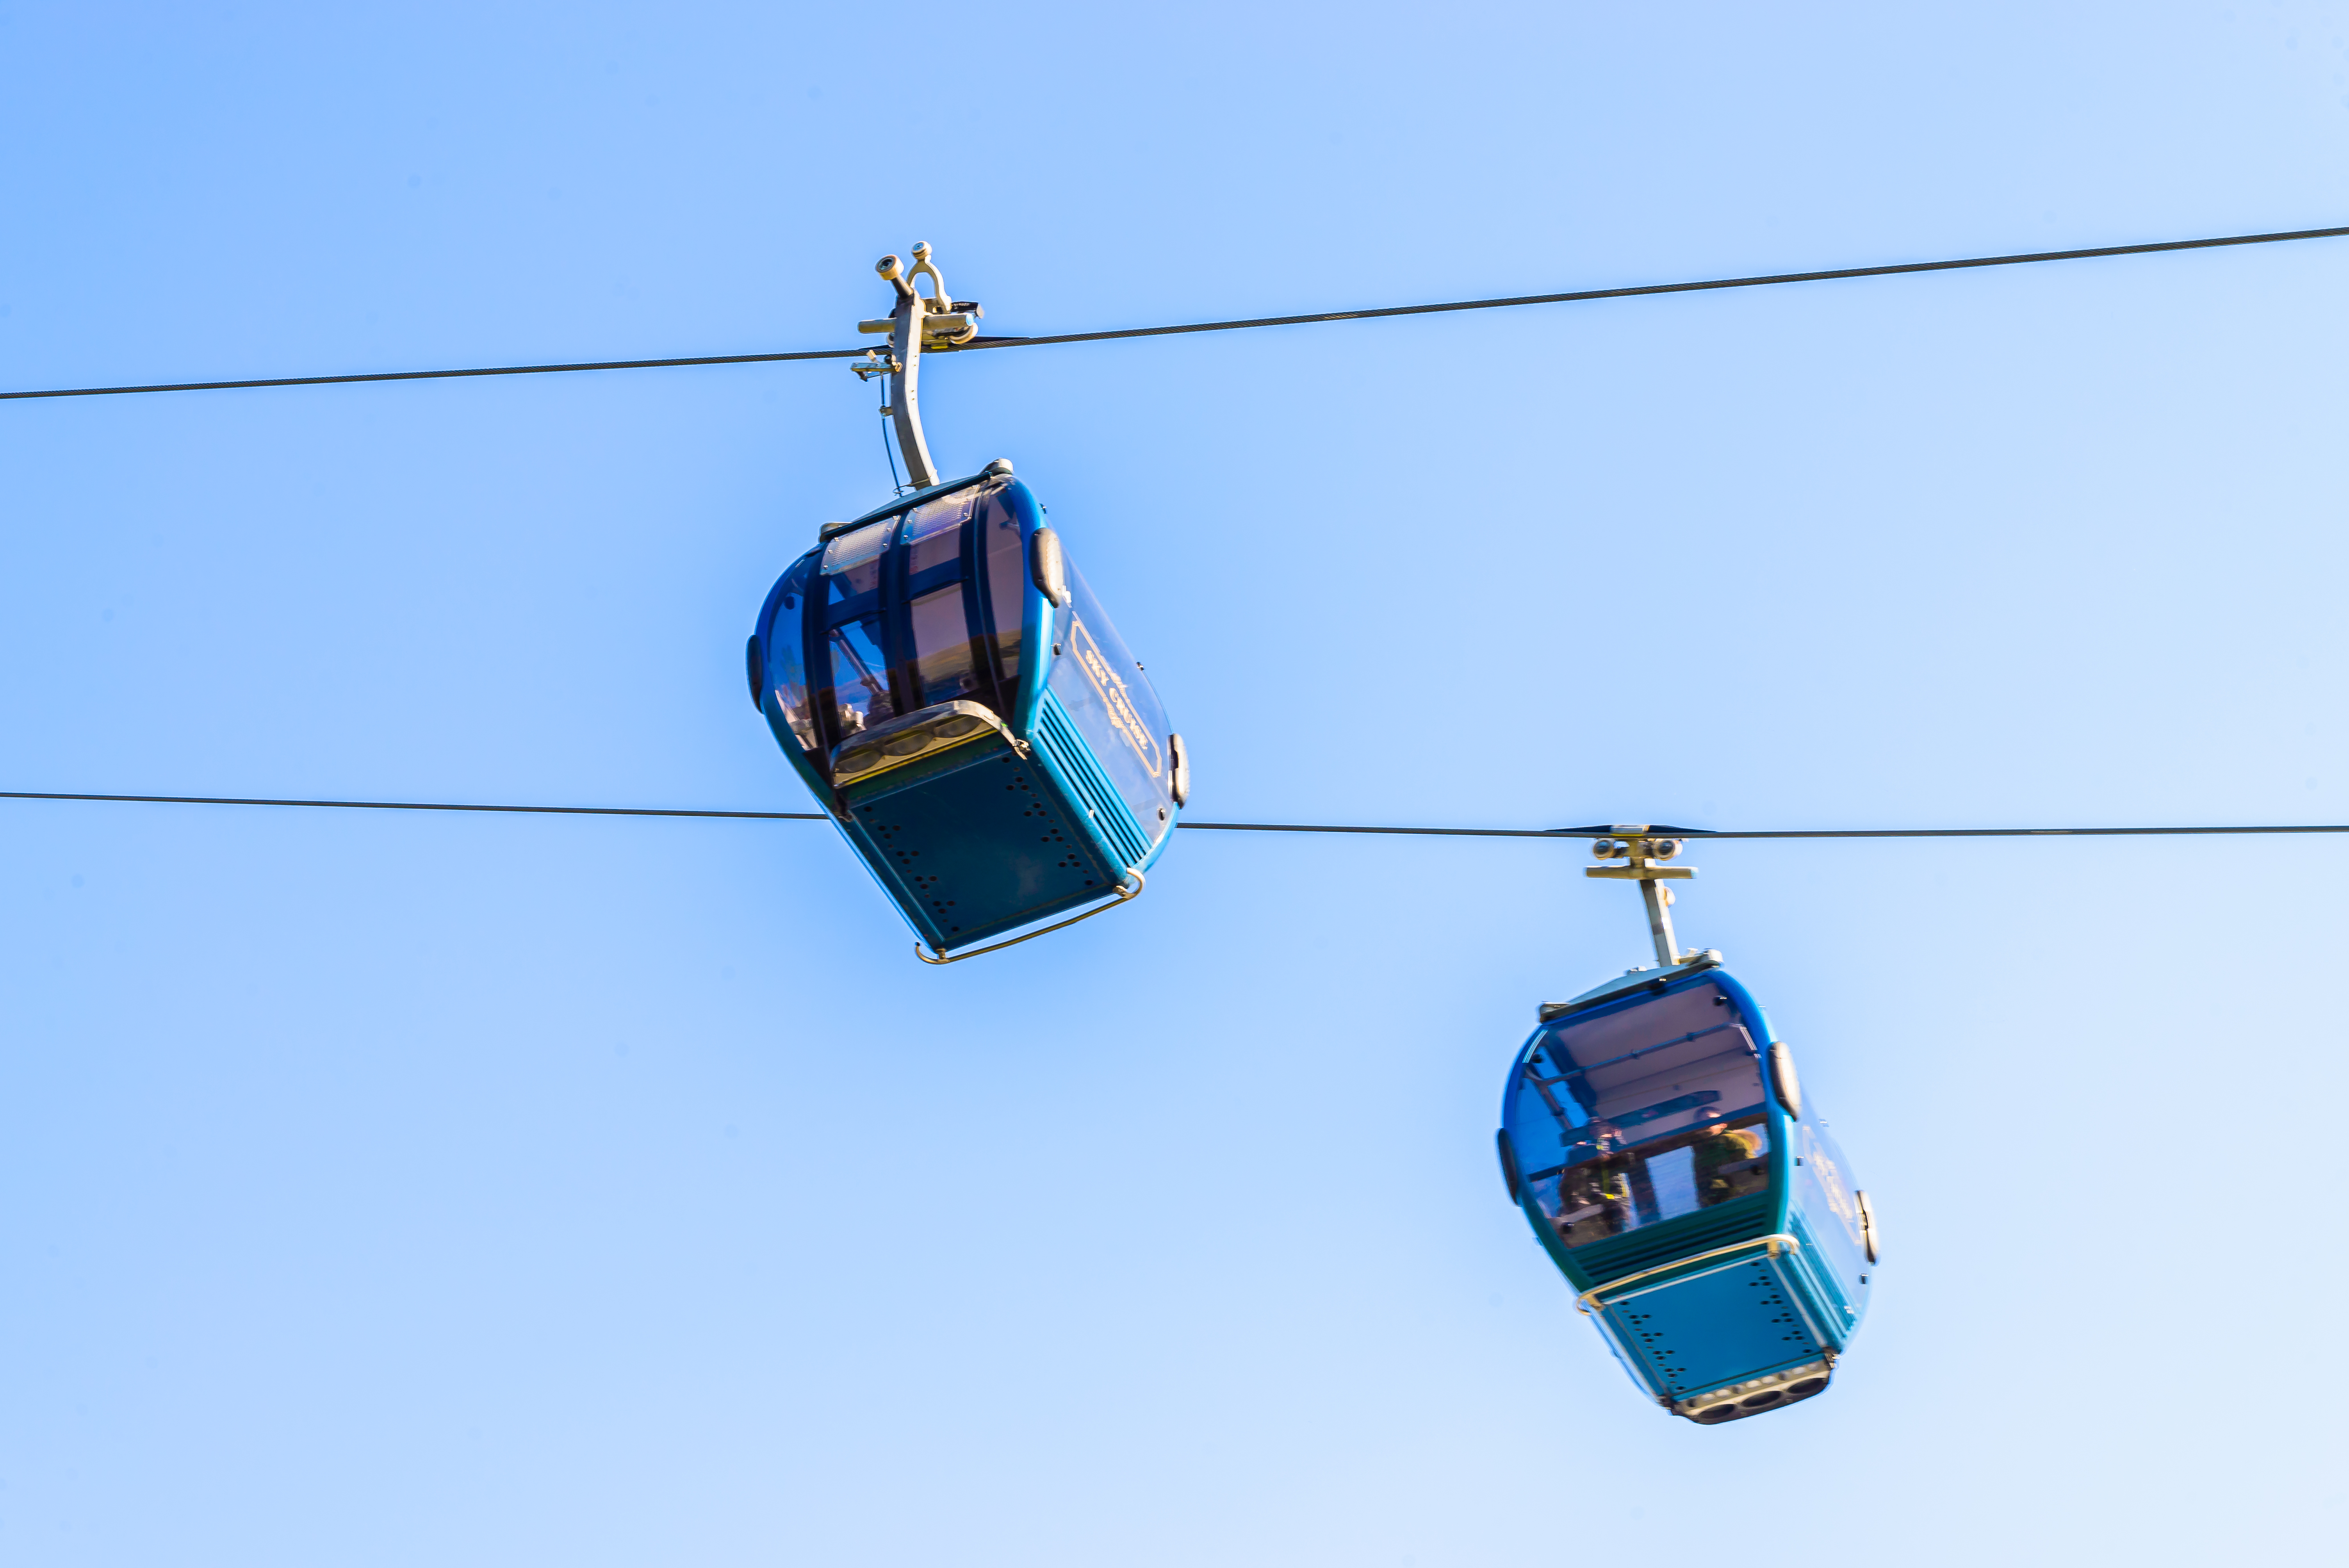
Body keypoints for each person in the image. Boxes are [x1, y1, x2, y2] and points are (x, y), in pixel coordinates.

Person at [1692, 1114, 1766, 1207]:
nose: (1705, 1124)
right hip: (1714, 1206)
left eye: (1709, 1120)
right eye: (1700, 1122)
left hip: (1738, 1202)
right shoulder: (1700, 1152)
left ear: (1723, 1124)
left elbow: (1751, 1173)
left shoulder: (1733, 1141)